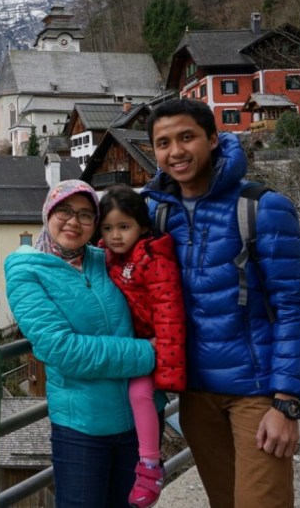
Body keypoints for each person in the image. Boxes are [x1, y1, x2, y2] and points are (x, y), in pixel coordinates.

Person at [141, 98, 300, 508]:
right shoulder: (157, 213)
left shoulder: (261, 207)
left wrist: (287, 402)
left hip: (256, 393)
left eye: (187, 137)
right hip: (196, 395)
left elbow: (293, 307)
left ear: (213, 139)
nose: (176, 151)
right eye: (164, 143)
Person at [5, 180, 156, 507]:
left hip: (136, 421)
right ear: (48, 213)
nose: (73, 222)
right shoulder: (26, 270)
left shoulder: (106, 259)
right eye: (64, 211)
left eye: (86, 214)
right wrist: (151, 353)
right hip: (82, 429)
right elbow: (63, 350)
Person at [98, 185, 187, 508]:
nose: (115, 235)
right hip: (133, 346)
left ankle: (150, 465)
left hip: (153, 347)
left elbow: (169, 312)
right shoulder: (109, 258)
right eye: (108, 228)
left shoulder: (153, 260)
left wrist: (168, 368)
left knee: (139, 393)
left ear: (143, 226)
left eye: (124, 226)